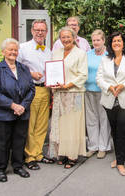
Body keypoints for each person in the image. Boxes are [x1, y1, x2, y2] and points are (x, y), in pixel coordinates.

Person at [0, 38, 35, 182]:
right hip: (3, 114)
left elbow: (31, 89)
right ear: (3, 52)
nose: (13, 52)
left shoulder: (23, 68)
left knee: (19, 141)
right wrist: (13, 105)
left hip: (22, 112)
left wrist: (23, 106)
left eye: (15, 50)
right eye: (10, 50)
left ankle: (18, 166)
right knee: (3, 143)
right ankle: (1, 169)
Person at [96, 32, 125, 176]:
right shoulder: (105, 59)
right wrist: (109, 87)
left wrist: (123, 86)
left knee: (122, 129)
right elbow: (99, 78)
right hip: (110, 100)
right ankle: (118, 157)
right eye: (114, 41)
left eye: (119, 41)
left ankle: (121, 163)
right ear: (110, 44)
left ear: (124, 43)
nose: (117, 43)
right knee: (115, 130)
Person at [49, 27, 88, 169]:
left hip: (74, 93)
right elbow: (53, 71)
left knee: (73, 124)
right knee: (61, 125)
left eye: (68, 37)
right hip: (59, 93)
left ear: (74, 38)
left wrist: (68, 85)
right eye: (62, 37)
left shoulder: (80, 53)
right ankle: (62, 153)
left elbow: (83, 75)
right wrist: (53, 83)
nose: (65, 40)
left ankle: (72, 155)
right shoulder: (57, 52)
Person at [17, 19, 54, 170]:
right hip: (31, 90)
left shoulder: (47, 50)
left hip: (45, 89)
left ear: (46, 32)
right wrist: (31, 74)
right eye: (37, 30)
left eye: (43, 30)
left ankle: (38, 153)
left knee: (42, 124)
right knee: (30, 124)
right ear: (32, 31)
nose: (40, 33)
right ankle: (29, 156)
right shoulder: (23, 48)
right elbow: (16, 68)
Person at [85, 29, 111, 159]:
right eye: (94, 40)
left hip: (103, 91)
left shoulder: (108, 55)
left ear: (103, 41)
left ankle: (103, 147)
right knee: (91, 119)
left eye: (98, 40)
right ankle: (93, 146)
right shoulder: (87, 54)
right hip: (88, 90)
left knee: (103, 119)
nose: (95, 42)